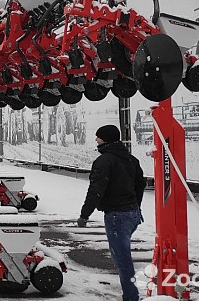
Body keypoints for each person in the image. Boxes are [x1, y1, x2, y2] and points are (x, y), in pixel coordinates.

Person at [78, 124, 146, 301]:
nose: (96, 139)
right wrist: (136, 206)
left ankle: (131, 297)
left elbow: (96, 190)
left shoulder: (104, 161)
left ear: (105, 139)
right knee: (122, 257)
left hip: (117, 216)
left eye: (98, 136)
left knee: (122, 260)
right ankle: (130, 294)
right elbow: (141, 184)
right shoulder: (130, 159)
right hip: (132, 214)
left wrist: (84, 215)